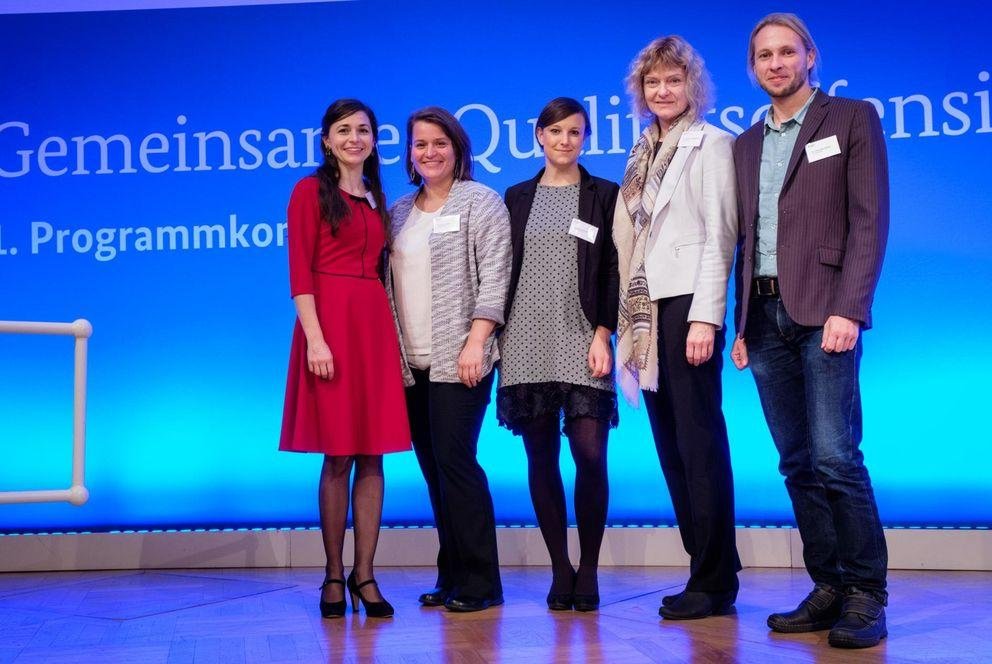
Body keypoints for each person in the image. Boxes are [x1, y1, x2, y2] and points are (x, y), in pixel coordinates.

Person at [731, 13, 890, 649]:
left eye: (787, 52)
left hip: (826, 311)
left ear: (810, 57)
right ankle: (826, 584)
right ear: (753, 67)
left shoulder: (850, 119)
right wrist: (741, 321)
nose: (776, 63)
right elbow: (746, 240)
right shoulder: (744, 144)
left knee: (835, 456)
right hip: (764, 318)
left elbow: (868, 221)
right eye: (764, 55)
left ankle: (865, 594)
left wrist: (849, 308)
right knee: (796, 461)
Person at [614, 36, 741, 620]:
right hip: (647, 314)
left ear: (693, 86)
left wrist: (705, 317)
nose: (663, 91)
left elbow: (720, 236)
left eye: (673, 80)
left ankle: (715, 580)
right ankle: (704, 566)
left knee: (700, 445)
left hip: (688, 305)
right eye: (653, 82)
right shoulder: (640, 153)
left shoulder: (712, 145)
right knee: (670, 447)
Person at [278, 98, 411, 620]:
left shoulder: (379, 196)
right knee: (338, 455)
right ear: (327, 139)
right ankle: (333, 575)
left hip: (372, 328)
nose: (354, 137)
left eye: (363, 130)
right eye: (343, 130)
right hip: (329, 326)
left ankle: (366, 575)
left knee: (373, 454)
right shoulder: (309, 191)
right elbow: (300, 272)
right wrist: (315, 339)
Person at [387, 106, 512, 612]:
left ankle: (482, 582)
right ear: (410, 156)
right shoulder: (398, 211)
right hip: (409, 364)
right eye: (420, 145)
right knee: (434, 468)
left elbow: (497, 277)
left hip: (461, 357)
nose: (430, 152)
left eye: (440, 143)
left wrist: (476, 342)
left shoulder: (481, 202)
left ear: (458, 148)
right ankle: (451, 574)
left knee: (456, 462)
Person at [499, 97, 620, 612]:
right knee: (540, 458)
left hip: (582, 338)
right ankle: (559, 567)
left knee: (590, 455)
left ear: (585, 138)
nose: (565, 140)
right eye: (555, 132)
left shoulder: (604, 195)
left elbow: (614, 269)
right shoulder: (515, 196)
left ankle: (589, 567)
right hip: (524, 341)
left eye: (575, 132)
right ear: (538, 137)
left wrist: (604, 332)